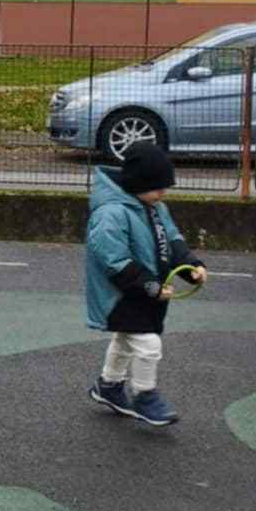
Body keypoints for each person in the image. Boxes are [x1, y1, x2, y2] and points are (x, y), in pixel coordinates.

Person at [84, 143, 204, 427]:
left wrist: (192, 267)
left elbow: (172, 240)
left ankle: (109, 386)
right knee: (148, 343)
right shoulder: (110, 214)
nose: (163, 193)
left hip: (143, 291)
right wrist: (150, 287)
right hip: (121, 294)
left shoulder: (154, 206)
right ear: (137, 184)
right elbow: (115, 261)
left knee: (126, 339)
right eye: (157, 187)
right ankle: (144, 395)